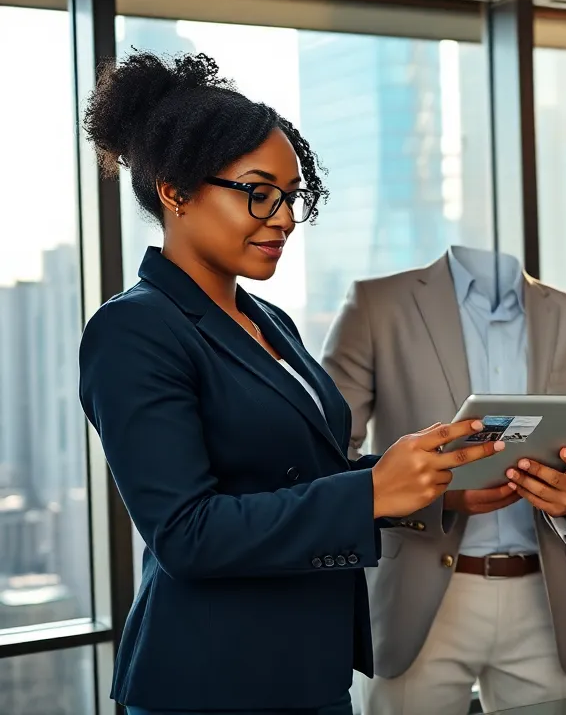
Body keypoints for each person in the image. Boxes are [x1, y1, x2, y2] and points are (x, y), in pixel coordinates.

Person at [76, 52, 500, 715]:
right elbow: (187, 533)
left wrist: (428, 492)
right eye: (258, 192)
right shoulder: (134, 331)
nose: (282, 218)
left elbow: (301, 476)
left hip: (311, 669)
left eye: (292, 197)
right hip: (211, 683)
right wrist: (372, 490)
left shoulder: (268, 320)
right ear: (176, 191)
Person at [321, 244, 566, 714]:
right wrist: (433, 497)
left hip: (543, 597)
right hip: (416, 592)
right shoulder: (376, 303)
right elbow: (330, 455)